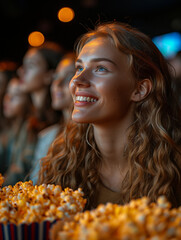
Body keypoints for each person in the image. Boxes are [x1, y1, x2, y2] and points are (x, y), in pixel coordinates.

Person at [38, 22, 181, 209]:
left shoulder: (175, 168)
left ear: (140, 89)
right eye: (79, 68)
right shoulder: (60, 160)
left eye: (100, 69)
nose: (77, 80)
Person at [29, 53, 76, 184]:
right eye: (56, 77)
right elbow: (35, 184)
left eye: (68, 77)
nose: (57, 83)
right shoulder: (47, 136)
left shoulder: (94, 136)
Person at [18, 41, 64, 134]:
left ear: (49, 75)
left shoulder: (58, 124)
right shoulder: (27, 116)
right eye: (23, 65)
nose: (21, 71)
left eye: (30, 66)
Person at [1, 77, 36, 185]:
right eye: (7, 93)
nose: (8, 98)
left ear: (27, 100)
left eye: (15, 96)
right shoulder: (10, 128)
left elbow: (20, 170)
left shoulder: (29, 127)